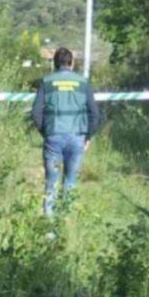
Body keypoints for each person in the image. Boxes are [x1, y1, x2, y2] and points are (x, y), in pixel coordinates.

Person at [30, 47, 101, 217]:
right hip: (77, 138)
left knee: (51, 182)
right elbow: (95, 114)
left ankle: (48, 227)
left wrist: (45, 132)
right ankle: (65, 221)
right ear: (72, 63)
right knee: (70, 181)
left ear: (54, 64)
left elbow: (35, 112)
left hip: (53, 136)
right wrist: (88, 137)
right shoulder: (83, 83)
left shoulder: (47, 81)